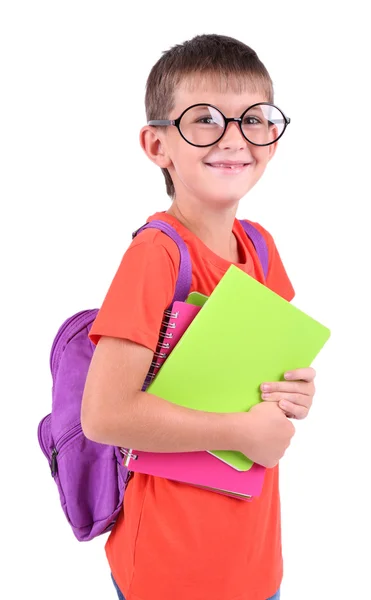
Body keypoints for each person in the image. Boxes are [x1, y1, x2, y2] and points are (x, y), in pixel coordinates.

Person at [81, 33, 316, 600]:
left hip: (253, 563)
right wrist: (241, 431)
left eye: (254, 119)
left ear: (273, 138)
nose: (234, 139)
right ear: (157, 145)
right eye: (205, 119)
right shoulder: (156, 256)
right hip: (170, 567)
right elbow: (105, 415)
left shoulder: (260, 248)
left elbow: (260, 386)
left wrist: (295, 393)